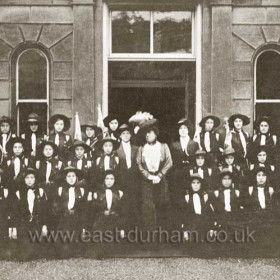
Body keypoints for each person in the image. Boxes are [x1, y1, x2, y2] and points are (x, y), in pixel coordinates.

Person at [136, 119, 173, 229]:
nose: (147, 135)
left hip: (160, 180)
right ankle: (149, 236)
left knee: (162, 205)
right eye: (146, 133)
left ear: (155, 133)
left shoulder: (163, 147)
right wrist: (148, 175)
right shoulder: (142, 148)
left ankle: (162, 235)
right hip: (147, 182)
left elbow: (169, 162)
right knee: (148, 208)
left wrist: (160, 175)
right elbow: (138, 164)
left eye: (150, 132)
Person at [170, 118, 199, 207]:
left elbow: (196, 160)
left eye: (185, 128)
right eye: (180, 128)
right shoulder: (174, 145)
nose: (182, 130)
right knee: (178, 195)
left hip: (190, 172)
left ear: (188, 130)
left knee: (190, 194)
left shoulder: (194, 144)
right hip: (177, 173)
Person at [91, 169, 125, 238]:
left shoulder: (119, 193)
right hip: (101, 223)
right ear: (104, 180)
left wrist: (122, 228)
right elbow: (94, 212)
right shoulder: (97, 194)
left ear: (115, 180)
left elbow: (122, 212)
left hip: (115, 222)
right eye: (107, 178)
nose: (109, 181)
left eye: (112, 179)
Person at [116, 124, 139, 227]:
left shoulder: (136, 149)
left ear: (130, 135)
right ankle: (123, 229)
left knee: (134, 204)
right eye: (123, 134)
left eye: (128, 133)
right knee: (123, 205)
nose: (126, 135)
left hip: (134, 181)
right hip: (122, 181)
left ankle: (134, 229)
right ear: (120, 136)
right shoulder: (116, 149)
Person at [15, 168, 48, 239]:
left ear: (35, 179)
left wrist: (44, 225)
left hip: (37, 224)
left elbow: (45, 210)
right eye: (27, 178)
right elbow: (16, 212)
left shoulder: (40, 191)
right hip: (23, 225)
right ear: (24, 179)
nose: (29, 180)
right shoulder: (19, 193)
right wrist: (14, 228)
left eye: (32, 177)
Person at [54, 166, 87, 235]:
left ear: (76, 178)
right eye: (69, 176)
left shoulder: (81, 190)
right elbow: (56, 207)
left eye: (73, 176)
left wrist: (83, 226)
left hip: (77, 221)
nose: (71, 178)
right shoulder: (60, 190)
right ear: (65, 178)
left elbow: (83, 209)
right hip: (64, 220)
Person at [181, 174, 215, 240]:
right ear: (190, 184)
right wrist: (185, 229)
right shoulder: (187, 197)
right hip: (192, 224)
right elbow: (184, 214)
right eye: (193, 183)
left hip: (204, 223)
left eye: (198, 183)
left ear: (201, 184)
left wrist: (211, 228)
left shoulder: (205, 196)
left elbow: (210, 212)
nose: (196, 185)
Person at [212, 169, 244, 233]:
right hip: (222, 220)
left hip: (234, 220)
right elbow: (215, 210)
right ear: (221, 180)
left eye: (229, 179)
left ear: (232, 180)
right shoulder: (217, 193)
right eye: (224, 179)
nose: (227, 181)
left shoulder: (236, 192)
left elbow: (240, 208)